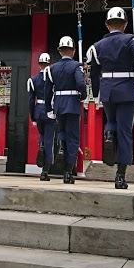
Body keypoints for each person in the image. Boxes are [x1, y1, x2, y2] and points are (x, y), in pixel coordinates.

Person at [87, 7, 134, 189]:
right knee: (125, 131)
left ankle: (108, 135)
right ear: (125, 24)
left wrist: (96, 93)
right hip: (126, 89)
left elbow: (94, 72)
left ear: (107, 25)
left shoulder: (97, 46)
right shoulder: (130, 40)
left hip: (107, 89)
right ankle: (120, 176)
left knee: (111, 121)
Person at [44, 36, 87, 184]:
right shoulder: (76, 66)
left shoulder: (51, 69)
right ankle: (68, 172)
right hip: (73, 104)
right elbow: (80, 83)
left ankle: (61, 146)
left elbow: (47, 91)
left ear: (60, 51)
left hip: (58, 104)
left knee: (61, 131)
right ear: (73, 51)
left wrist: (49, 109)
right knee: (73, 137)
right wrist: (83, 95)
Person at [28, 53, 56, 181]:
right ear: (50, 63)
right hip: (50, 111)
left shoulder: (33, 80)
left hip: (38, 111)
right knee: (49, 140)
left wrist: (33, 117)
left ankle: (41, 146)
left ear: (39, 64)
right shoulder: (53, 79)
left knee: (43, 135)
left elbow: (30, 101)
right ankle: (45, 171)